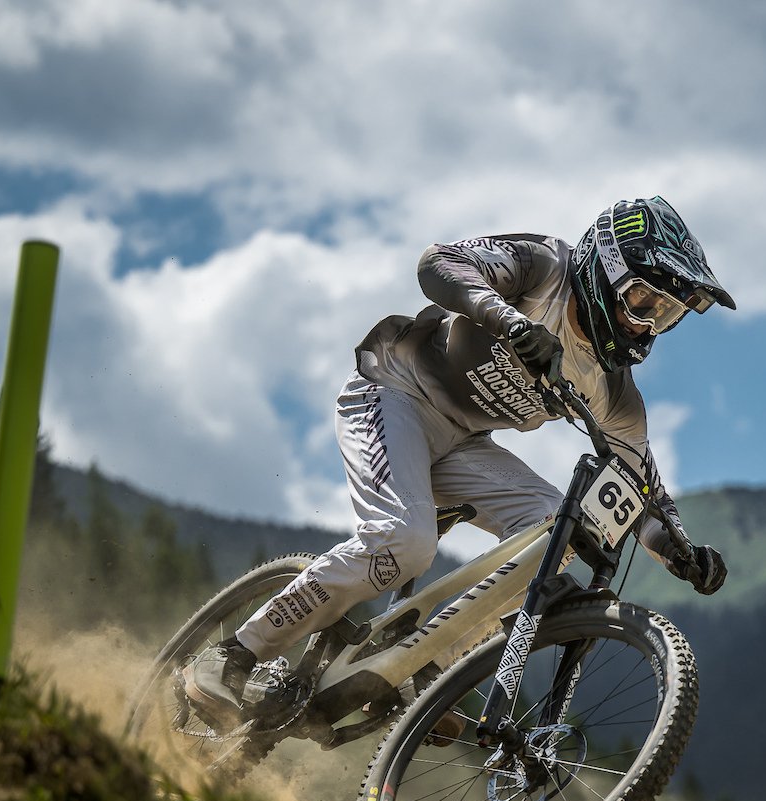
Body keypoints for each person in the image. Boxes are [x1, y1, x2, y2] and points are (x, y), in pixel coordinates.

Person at [184, 196, 734, 726]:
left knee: (560, 536)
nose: (645, 326)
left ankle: (423, 669)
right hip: (393, 393)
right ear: (604, 271)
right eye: (643, 302)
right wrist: (510, 321)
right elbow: (438, 263)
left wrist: (680, 553)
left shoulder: (613, 390)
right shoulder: (545, 268)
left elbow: (638, 486)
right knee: (403, 541)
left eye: (665, 316)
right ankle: (232, 655)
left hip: (462, 445)